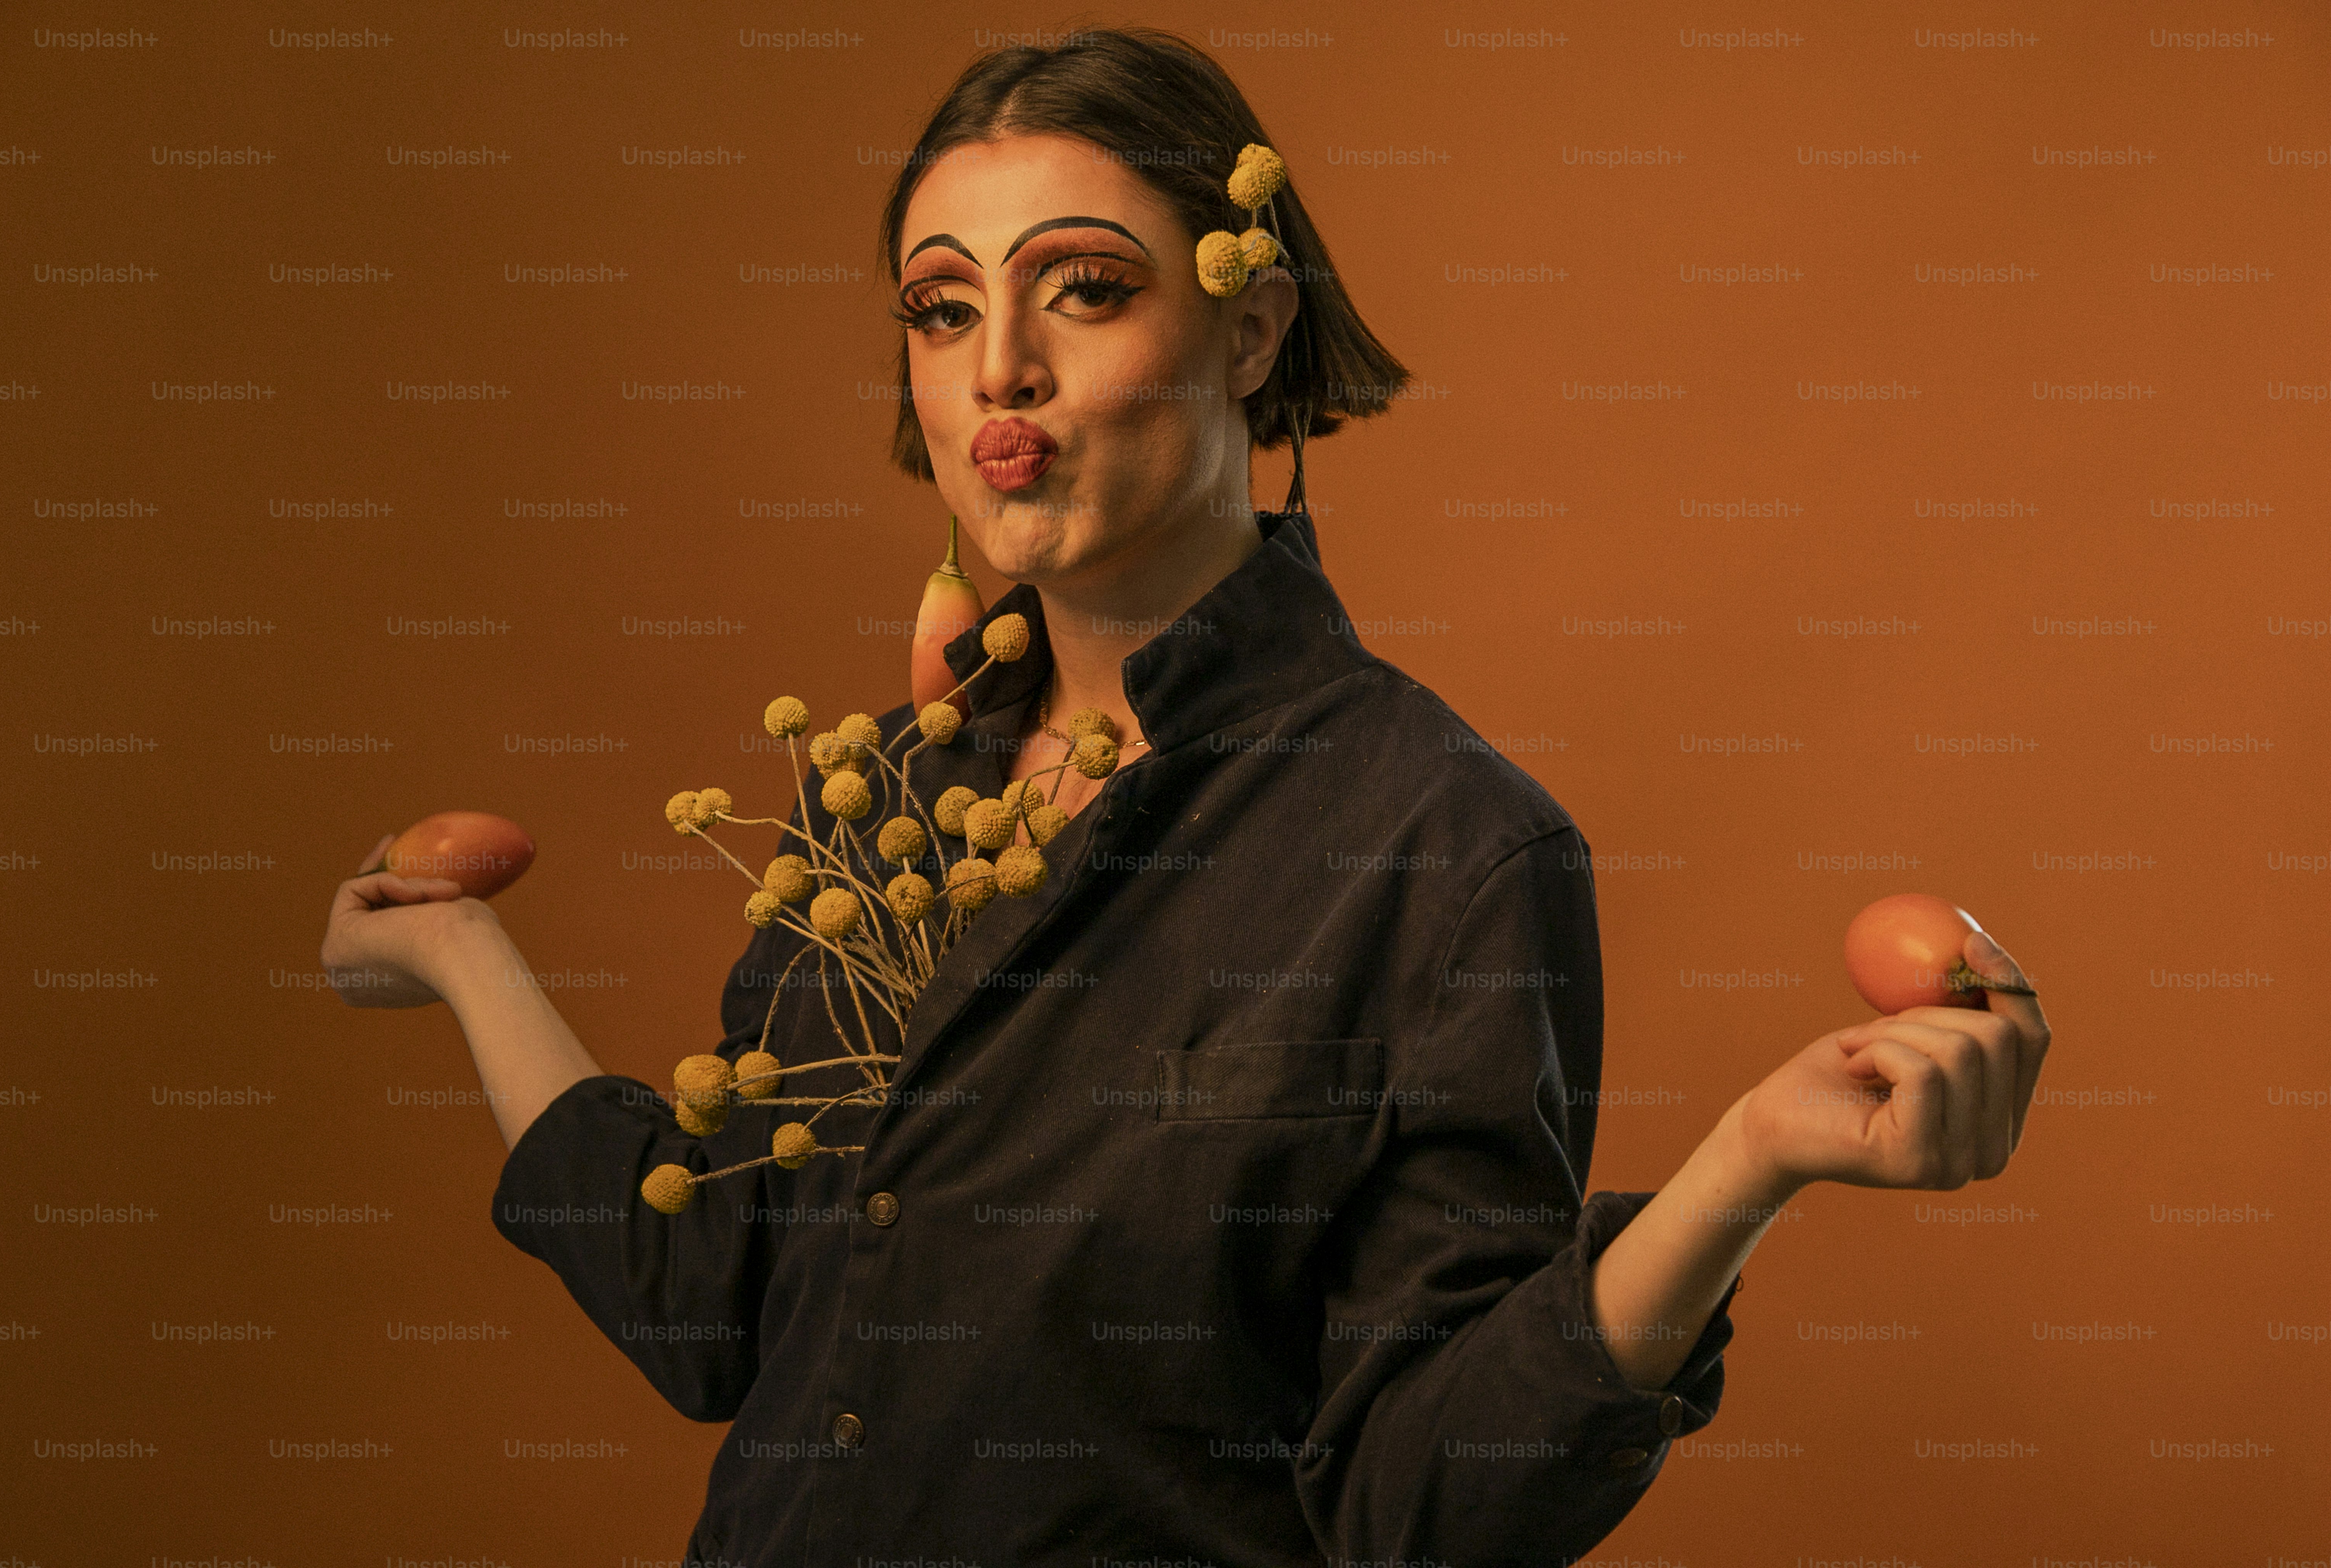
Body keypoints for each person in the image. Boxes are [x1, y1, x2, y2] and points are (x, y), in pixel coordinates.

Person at [319, 28, 2052, 1567]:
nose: (998, 368)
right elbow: (711, 1302)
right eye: (941, 308)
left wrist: (1746, 1167)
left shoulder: (1441, 848)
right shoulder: (881, 803)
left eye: (1080, 288)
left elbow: (1417, 1507)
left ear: (1249, 328)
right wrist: (467, 956)